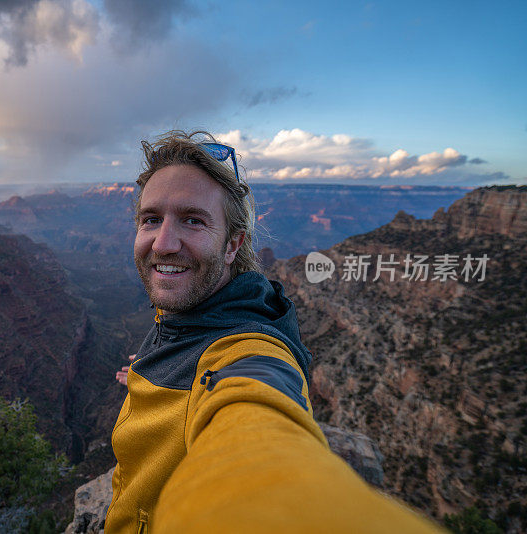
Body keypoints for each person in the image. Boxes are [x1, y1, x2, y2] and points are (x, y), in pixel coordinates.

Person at [105, 130, 441, 533]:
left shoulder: (247, 351)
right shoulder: (186, 315)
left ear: (232, 246)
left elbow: (254, 410)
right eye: (152, 219)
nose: (163, 243)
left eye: (193, 220)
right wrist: (148, 376)